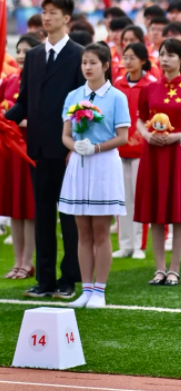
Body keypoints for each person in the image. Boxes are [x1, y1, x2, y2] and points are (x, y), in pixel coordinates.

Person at [4, 0, 84, 299]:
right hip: (36, 149)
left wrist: (76, 143)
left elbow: (84, 104)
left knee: (69, 216)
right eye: (43, 12)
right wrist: (5, 117)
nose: (46, 18)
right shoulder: (35, 56)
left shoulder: (79, 54)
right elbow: (24, 101)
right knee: (43, 217)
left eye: (52, 13)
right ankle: (45, 280)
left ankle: (69, 279)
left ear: (66, 18)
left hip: (67, 150)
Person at [60, 44, 130, 308]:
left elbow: (122, 137)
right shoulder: (74, 96)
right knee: (82, 231)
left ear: (105, 65)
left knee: (100, 230)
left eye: (92, 63)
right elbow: (66, 135)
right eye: (84, 63)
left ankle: (99, 290)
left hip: (103, 163)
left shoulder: (117, 97)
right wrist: (74, 146)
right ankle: (86, 289)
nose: (87, 68)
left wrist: (96, 147)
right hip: (79, 164)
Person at [135, 39, 181, 286]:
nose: (165, 59)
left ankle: (174, 269)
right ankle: (159, 269)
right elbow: (140, 120)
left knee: (177, 213)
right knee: (156, 212)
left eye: (171, 55)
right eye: (162, 54)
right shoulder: (149, 89)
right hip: (152, 153)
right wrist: (146, 136)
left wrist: (178, 136)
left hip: (177, 154)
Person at [0, 35, 41, 280]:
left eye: (27, 51)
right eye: (19, 51)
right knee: (13, 209)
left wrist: (16, 121)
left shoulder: (40, 82)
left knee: (29, 209)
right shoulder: (10, 80)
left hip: (30, 149)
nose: (21, 55)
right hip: (9, 152)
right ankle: (17, 261)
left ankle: (28, 262)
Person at [113, 43, 158, 258]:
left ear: (143, 60)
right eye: (125, 57)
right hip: (119, 149)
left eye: (132, 57)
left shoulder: (151, 85)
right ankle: (125, 244)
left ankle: (139, 245)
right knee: (122, 198)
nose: (128, 61)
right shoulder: (117, 84)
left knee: (140, 198)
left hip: (142, 149)